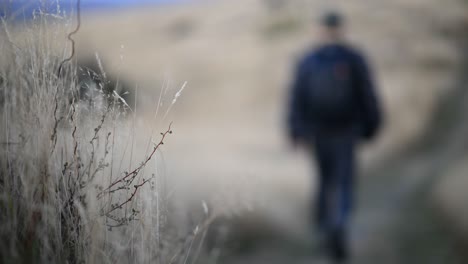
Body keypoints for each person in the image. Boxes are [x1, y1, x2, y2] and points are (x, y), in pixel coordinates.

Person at [287, 11, 382, 262]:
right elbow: (367, 94)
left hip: (318, 132)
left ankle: (325, 229)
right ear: (340, 29)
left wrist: (296, 130)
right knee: (343, 181)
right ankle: (338, 224)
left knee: (324, 181)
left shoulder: (308, 60)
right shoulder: (354, 58)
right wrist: (372, 126)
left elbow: (296, 98)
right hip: (346, 131)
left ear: (320, 30)